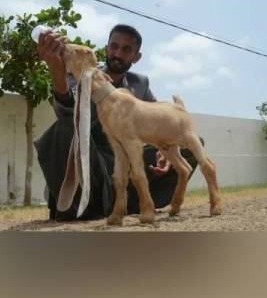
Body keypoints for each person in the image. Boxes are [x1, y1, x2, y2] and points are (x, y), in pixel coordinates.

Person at [34, 24, 202, 221]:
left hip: (127, 161)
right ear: (106, 49)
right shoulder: (84, 71)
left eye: (126, 50)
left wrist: (163, 148)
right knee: (64, 128)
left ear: (136, 57)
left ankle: (127, 204)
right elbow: (67, 110)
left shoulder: (140, 83)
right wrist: (56, 71)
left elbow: (157, 119)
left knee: (191, 144)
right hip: (93, 161)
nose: (118, 53)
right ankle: (86, 204)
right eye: (114, 46)